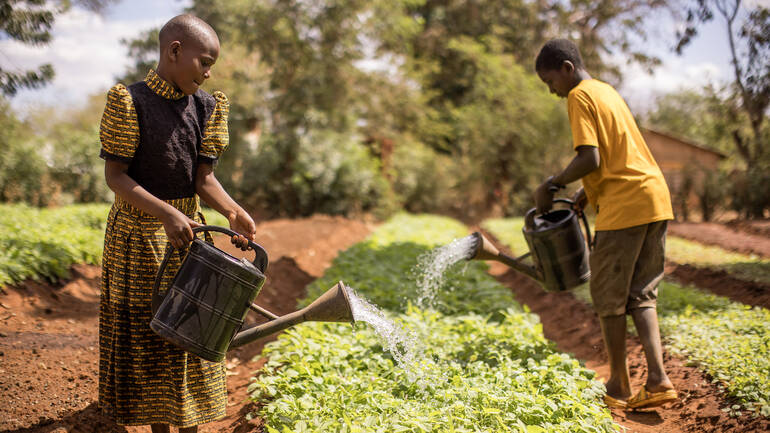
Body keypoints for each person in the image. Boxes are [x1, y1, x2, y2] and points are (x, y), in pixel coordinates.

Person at [98, 14, 256, 433]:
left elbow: (203, 179)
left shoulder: (207, 107)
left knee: (189, 325)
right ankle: (159, 426)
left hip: (187, 233)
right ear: (174, 51)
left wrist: (232, 210)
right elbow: (116, 178)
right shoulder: (129, 102)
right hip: (138, 232)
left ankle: (188, 424)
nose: (207, 73)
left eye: (211, 67)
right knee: (150, 329)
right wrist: (166, 213)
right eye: (204, 62)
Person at [533, 39, 678, 410]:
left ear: (567, 68)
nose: (553, 92)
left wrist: (552, 185)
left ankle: (618, 385)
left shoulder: (579, 96)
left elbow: (591, 156)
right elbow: (617, 153)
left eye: (551, 83)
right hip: (654, 198)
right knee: (642, 294)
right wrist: (585, 191)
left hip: (625, 205)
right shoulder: (607, 91)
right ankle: (659, 380)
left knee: (608, 297)